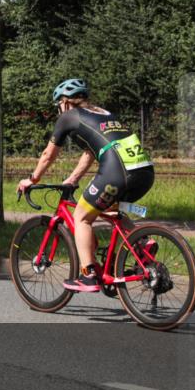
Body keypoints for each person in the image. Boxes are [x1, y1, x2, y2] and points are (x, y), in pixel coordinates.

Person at [16, 79, 154, 292]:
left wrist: (32, 179)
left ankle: (89, 275)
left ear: (64, 102)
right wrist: (73, 179)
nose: (59, 110)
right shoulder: (104, 114)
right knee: (110, 208)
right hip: (144, 171)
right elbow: (91, 152)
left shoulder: (68, 117)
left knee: (81, 217)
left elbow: (48, 155)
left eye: (58, 105)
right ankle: (142, 242)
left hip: (117, 172)